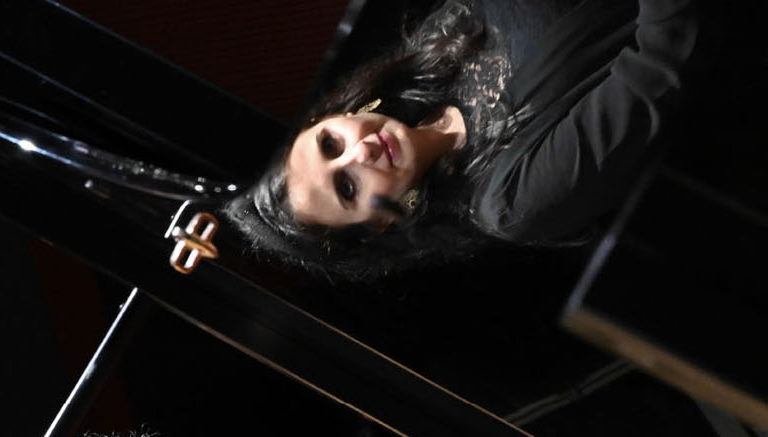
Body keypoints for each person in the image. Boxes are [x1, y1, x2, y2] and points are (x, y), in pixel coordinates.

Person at [224, 0, 707, 280]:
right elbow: (667, 61)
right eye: (347, 188)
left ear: (338, 114)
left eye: (330, 144)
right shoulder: (512, 201)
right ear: (378, 226)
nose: (360, 152)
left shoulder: (434, 45)